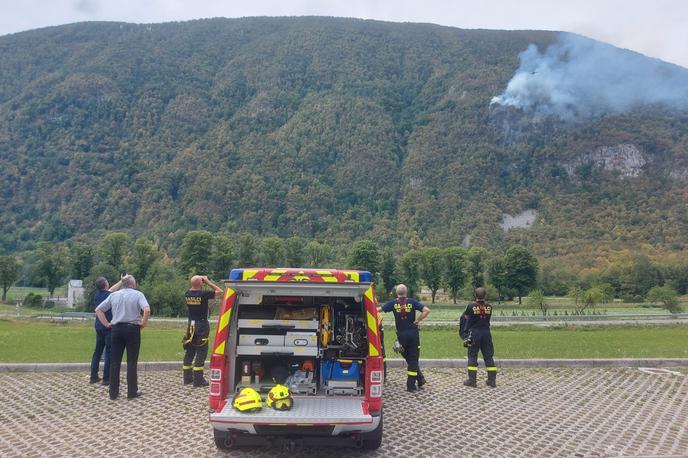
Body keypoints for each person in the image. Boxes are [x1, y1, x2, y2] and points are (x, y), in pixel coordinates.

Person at [95, 275, 150, 400]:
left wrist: (106, 323)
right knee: (131, 361)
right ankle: (132, 391)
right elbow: (146, 310)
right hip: (132, 329)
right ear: (132, 284)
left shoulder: (114, 295)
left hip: (116, 329)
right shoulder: (138, 294)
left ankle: (113, 393)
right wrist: (143, 323)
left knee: (115, 362)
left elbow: (98, 310)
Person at [377, 284, 430, 392]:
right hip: (413, 334)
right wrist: (418, 320)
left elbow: (378, 310)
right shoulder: (412, 302)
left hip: (401, 336)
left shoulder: (393, 303)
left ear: (397, 293)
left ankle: (420, 379)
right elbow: (426, 310)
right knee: (413, 359)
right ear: (406, 292)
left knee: (410, 358)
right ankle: (411, 386)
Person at [183, 275, 223, 387]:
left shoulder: (187, 294)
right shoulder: (203, 294)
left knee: (190, 350)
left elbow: (194, 286)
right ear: (201, 283)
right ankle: (198, 380)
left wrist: (198, 281)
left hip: (191, 325)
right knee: (201, 350)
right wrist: (208, 282)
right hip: (201, 325)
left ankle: (187, 378)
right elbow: (220, 292)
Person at [89, 275, 123, 385]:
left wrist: (121, 281)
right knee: (109, 352)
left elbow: (111, 290)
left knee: (97, 352)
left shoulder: (97, 295)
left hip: (98, 326)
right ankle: (106, 378)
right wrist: (123, 283)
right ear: (105, 284)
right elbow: (112, 291)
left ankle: (93, 376)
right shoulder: (110, 295)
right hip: (108, 327)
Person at [461, 287, 497, 388]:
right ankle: (492, 380)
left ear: (475, 295)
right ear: (485, 296)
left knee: (472, 356)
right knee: (488, 356)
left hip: (474, 333)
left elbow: (466, 317)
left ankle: (472, 381)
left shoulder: (470, 306)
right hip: (486, 333)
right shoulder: (489, 307)